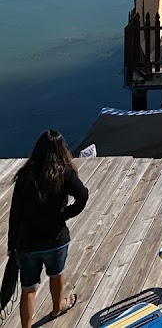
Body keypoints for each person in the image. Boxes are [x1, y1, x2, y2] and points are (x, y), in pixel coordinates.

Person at [7, 131, 89, 328]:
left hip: (27, 243)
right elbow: (83, 196)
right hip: (55, 239)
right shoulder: (64, 173)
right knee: (56, 273)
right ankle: (56, 308)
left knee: (28, 288)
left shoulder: (25, 175)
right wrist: (63, 215)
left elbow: (15, 211)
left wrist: (12, 243)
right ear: (62, 150)